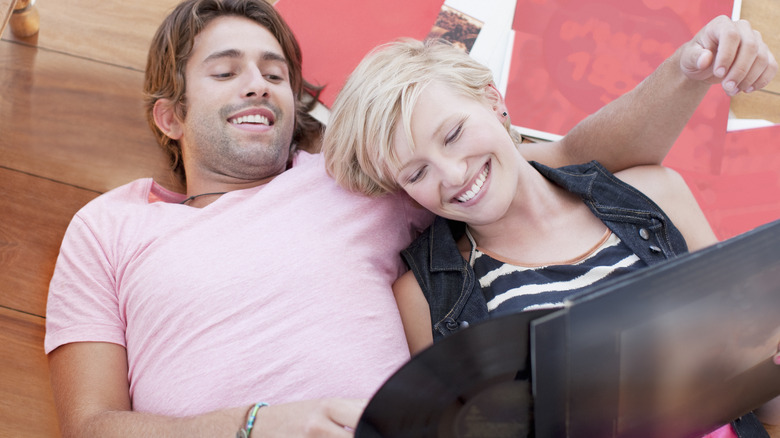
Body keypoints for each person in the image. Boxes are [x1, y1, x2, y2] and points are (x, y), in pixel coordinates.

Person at [42, 0, 777, 435]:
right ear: (169, 115)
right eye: (226, 70)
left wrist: (687, 71)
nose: (259, 84)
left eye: (275, 71)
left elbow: (567, 166)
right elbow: (94, 427)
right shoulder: (109, 228)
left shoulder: (358, 181)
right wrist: (255, 424)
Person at [322, 38, 779, 435]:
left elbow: (760, 397)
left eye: (454, 134)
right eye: (417, 172)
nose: (453, 173)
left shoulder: (655, 193)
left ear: (492, 98)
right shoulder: (421, 298)